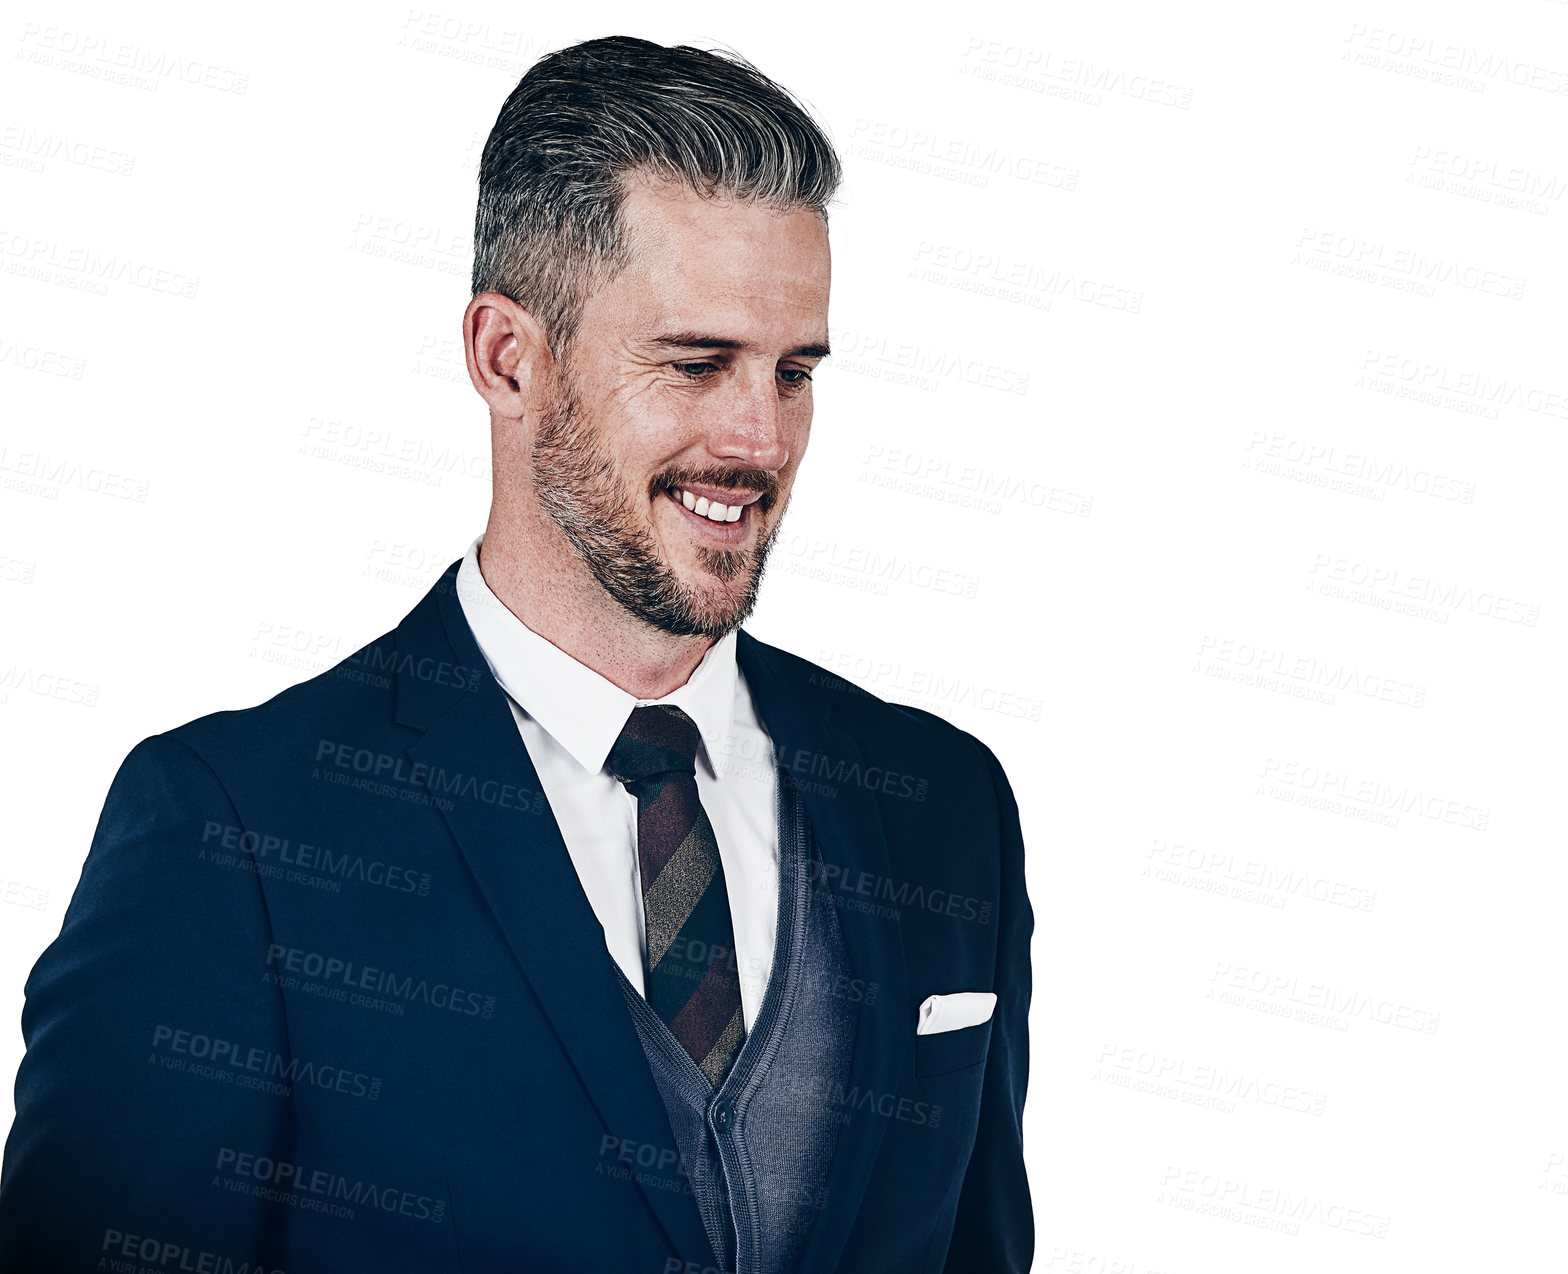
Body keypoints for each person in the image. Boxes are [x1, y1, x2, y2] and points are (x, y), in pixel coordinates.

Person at [0, 35, 1033, 1274]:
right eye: (696, 362)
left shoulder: (942, 802)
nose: (760, 439)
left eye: (793, 370)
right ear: (507, 359)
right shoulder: (234, 827)